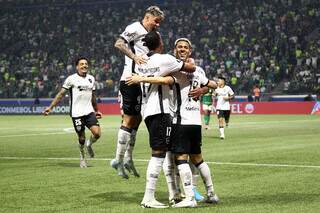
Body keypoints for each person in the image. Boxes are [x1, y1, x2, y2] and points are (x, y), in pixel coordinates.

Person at [127, 37, 219, 208]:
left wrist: (140, 78)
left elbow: (165, 81)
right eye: (180, 47)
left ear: (189, 51)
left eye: (185, 47)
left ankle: (188, 197)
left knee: (179, 159)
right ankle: (210, 193)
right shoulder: (198, 70)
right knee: (198, 159)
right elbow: (213, 83)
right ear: (176, 50)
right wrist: (205, 88)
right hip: (195, 123)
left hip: (180, 120)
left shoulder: (176, 70)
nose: (183, 49)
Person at [111, 6, 165, 179]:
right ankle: (118, 159)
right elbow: (118, 43)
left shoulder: (153, 34)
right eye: (156, 21)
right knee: (128, 119)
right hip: (130, 79)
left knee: (138, 119)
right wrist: (134, 57)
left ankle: (127, 158)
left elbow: (157, 51)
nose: (157, 25)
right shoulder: (134, 28)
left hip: (143, 81)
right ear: (147, 17)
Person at [43, 57, 102, 168]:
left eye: (86, 64)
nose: (84, 65)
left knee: (97, 134)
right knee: (81, 138)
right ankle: (82, 157)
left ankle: (89, 144)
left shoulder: (91, 79)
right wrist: (50, 107)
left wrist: (97, 110)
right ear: (77, 67)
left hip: (89, 111)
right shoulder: (71, 79)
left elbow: (93, 96)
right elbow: (60, 94)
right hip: (76, 113)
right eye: (81, 64)